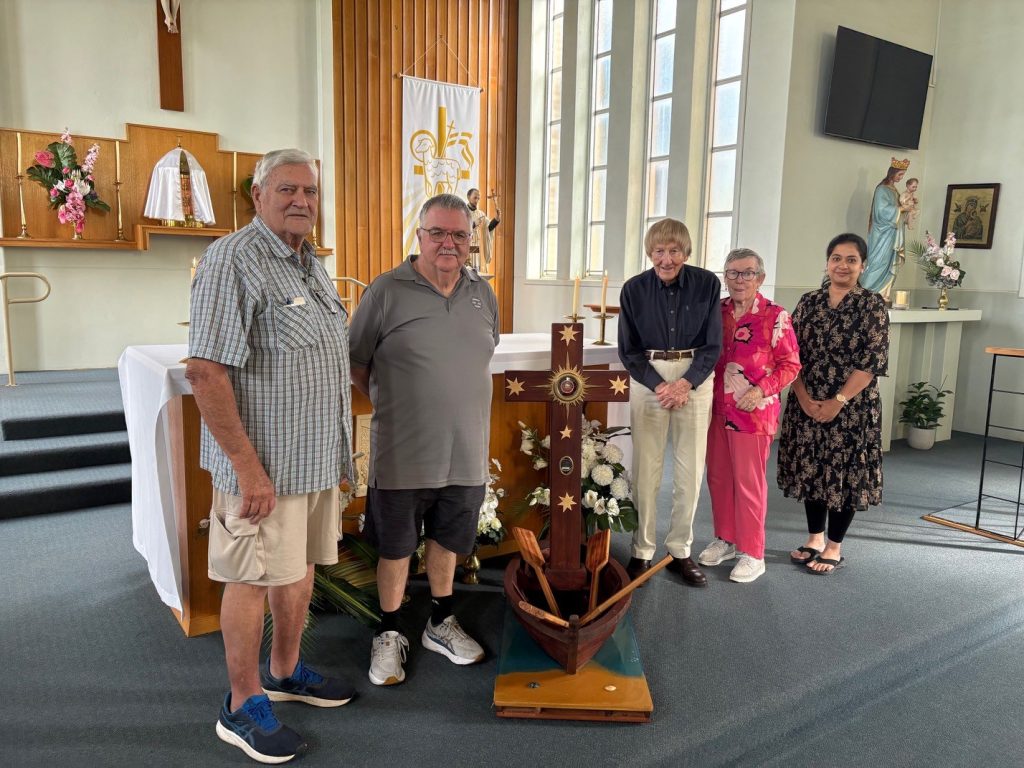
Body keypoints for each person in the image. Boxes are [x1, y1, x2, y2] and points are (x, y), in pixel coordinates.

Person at [186, 149, 355, 764]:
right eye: (287, 189)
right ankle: (240, 703)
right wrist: (248, 469)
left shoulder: (310, 265)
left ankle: (284, 671)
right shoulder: (234, 260)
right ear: (257, 195)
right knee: (251, 579)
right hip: (263, 471)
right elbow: (205, 372)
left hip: (312, 463)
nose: (301, 201)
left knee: (299, 569)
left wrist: (339, 455)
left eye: (310, 191)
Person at [349, 192, 499, 686]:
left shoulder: (483, 293)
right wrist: (397, 401)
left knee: (448, 540)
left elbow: (480, 354)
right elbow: (356, 362)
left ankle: (440, 621)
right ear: (419, 236)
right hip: (403, 451)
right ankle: (390, 630)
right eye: (438, 232)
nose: (448, 243)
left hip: (466, 450)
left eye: (459, 234)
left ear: (471, 240)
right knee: (396, 548)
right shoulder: (386, 290)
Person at [777, 233, 889, 575]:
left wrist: (837, 401)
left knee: (844, 473)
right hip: (807, 400)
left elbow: (872, 363)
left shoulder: (872, 305)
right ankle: (814, 538)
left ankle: (834, 546)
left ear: (863, 266)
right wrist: (803, 397)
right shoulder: (809, 302)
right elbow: (789, 353)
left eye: (851, 260)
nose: (843, 265)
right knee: (812, 468)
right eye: (836, 258)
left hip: (852, 405)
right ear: (827, 262)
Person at [618, 218, 722, 587]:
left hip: (694, 377)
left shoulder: (707, 284)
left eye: (674, 251)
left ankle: (680, 550)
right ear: (650, 252)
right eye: (659, 251)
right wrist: (659, 385)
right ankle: (642, 550)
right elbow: (628, 350)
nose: (667, 259)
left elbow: (713, 344)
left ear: (686, 252)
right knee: (646, 469)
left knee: (689, 470)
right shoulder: (633, 290)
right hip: (649, 376)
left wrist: (686, 383)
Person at [698, 249, 801, 583]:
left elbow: (791, 366)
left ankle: (753, 553)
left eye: (747, 273)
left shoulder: (775, 316)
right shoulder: (716, 312)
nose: (739, 280)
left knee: (748, 484)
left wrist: (760, 390)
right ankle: (726, 539)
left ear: (760, 278)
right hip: (715, 409)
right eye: (732, 273)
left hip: (753, 413)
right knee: (718, 478)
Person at [862, 157, 913, 299]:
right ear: (892, 173)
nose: (901, 178)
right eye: (900, 174)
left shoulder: (894, 191)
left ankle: (883, 294)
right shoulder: (882, 189)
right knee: (878, 263)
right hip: (881, 234)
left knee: (889, 264)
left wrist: (908, 207)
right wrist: (901, 208)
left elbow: (900, 210)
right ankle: (865, 295)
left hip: (892, 234)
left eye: (902, 175)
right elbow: (881, 212)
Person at [466, 187, 500, 270]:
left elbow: (488, 228)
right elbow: (459, 228)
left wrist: (496, 218)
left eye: (478, 198)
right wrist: (474, 224)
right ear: (468, 197)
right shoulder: (463, 212)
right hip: (467, 247)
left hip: (479, 248)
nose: (477, 200)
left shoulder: (481, 214)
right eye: (475, 198)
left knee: (478, 272)